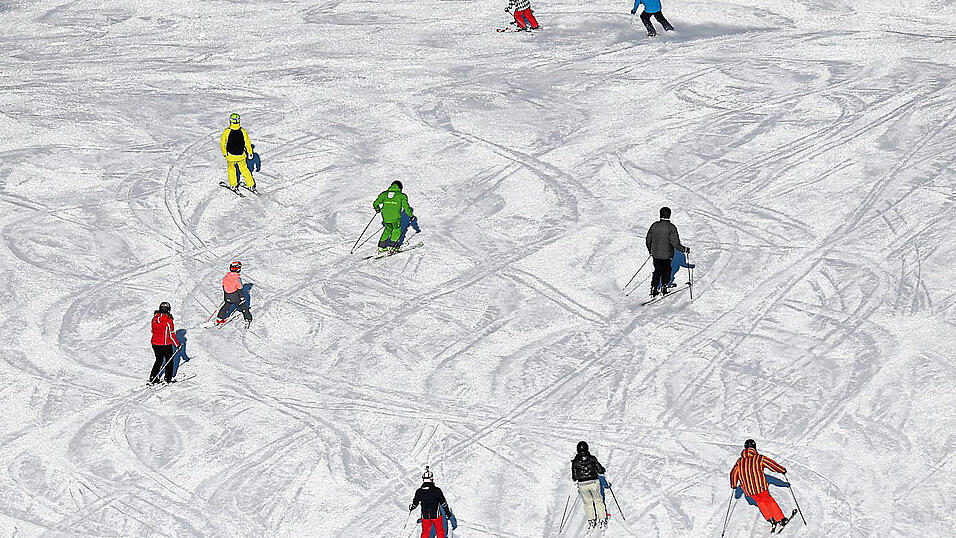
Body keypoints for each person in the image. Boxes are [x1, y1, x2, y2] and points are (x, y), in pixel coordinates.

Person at [730, 439, 793, 532]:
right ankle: (780, 519)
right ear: (754, 448)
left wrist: (734, 484)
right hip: (760, 487)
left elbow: (733, 474)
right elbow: (771, 465)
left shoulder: (739, 461)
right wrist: (782, 470)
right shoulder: (759, 458)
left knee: (760, 502)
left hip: (749, 490)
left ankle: (770, 518)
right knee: (769, 500)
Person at [645, 206, 689, 297]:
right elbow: (675, 244)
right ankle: (664, 288)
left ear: (660, 214)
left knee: (657, 270)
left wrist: (650, 250)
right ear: (669, 215)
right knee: (666, 270)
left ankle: (654, 288)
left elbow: (648, 240)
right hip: (667, 254)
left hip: (655, 254)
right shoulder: (671, 227)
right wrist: (684, 249)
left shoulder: (654, 225)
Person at [410, 467, 456, 538]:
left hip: (425, 516)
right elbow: (443, 503)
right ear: (431, 479)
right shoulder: (437, 491)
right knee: (440, 531)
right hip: (436, 516)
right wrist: (448, 513)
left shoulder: (419, 491)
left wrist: (412, 507)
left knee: (425, 532)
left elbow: (415, 503)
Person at [571, 441, 608, 529]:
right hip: (594, 483)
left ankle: (591, 521)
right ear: (587, 448)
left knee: (588, 503)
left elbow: (574, 477)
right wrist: (603, 470)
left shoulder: (575, 462)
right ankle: (602, 520)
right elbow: (600, 470)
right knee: (598, 501)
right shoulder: (592, 459)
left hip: (582, 485)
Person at [373, 181, 415, 253]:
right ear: (400, 187)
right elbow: (406, 208)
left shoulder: (384, 194)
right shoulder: (401, 196)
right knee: (396, 229)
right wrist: (411, 216)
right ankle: (393, 246)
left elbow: (375, 203)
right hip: (395, 217)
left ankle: (381, 246)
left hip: (385, 217)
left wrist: (377, 209)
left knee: (388, 229)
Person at [220, 113, 257, 194]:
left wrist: (224, 153)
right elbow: (247, 143)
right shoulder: (243, 131)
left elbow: (223, 143)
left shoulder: (227, 131)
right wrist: (250, 153)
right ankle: (251, 184)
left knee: (231, 169)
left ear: (230, 121)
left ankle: (233, 185)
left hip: (230, 156)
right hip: (241, 155)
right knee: (244, 169)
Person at [149, 302, 180, 385]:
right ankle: (168, 378)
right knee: (169, 360)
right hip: (165, 344)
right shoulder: (168, 320)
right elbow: (172, 334)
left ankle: (153, 377)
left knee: (158, 360)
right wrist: (177, 345)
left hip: (155, 343)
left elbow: (152, 330)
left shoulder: (154, 318)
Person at [216, 261, 253, 327]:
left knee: (226, 306)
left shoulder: (226, 277)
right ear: (238, 269)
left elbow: (224, 286)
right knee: (243, 307)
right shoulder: (237, 279)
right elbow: (240, 289)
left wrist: (226, 296)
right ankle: (248, 318)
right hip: (235, 297)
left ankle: (219, 318)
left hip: (227, 295)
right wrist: (242, 298)